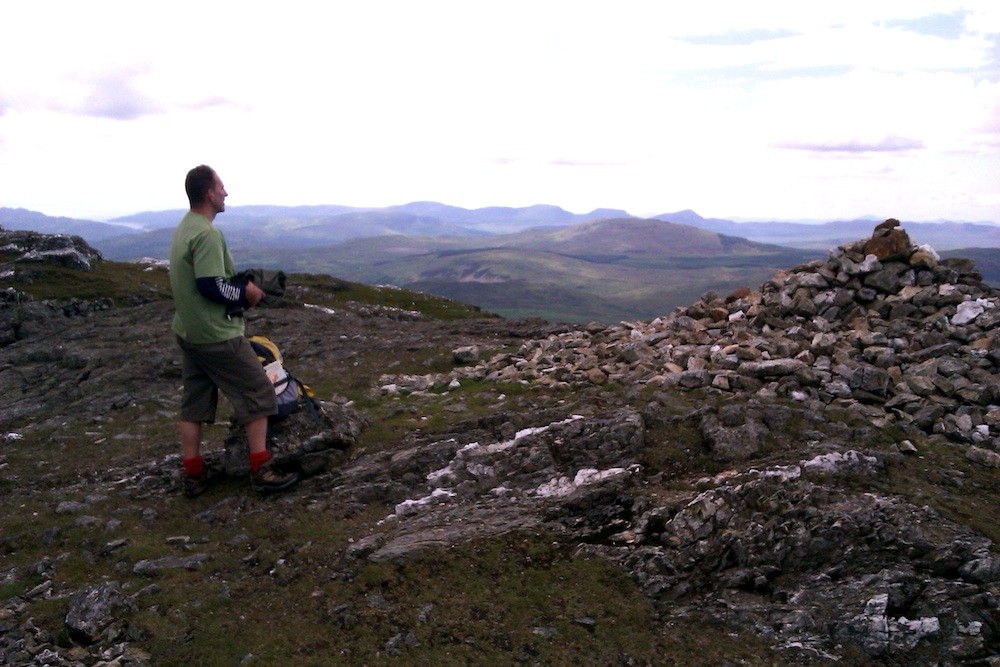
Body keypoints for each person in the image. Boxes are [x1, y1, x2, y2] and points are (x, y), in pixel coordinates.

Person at [168, 164, 299, 496]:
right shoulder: (207, 234)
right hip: (216, 335)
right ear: (210, 193)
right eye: (222, 186)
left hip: (189, 332)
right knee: (258, 391)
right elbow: (211, 286)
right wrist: (246, 294)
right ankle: (261, 468)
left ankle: (194, 474)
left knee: (194, 403)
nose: (226, 192)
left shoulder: (186, 227)